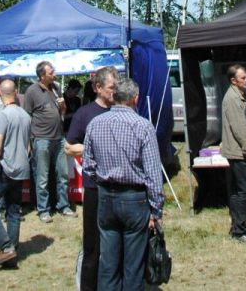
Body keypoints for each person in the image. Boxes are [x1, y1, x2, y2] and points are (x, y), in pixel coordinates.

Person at [83, 76, 164, 291]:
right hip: (134, 199)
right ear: (135, 98)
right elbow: (153, 174)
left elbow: (88, 166)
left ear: (114, 96)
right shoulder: (143, 126)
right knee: (133, 266)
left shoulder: (95, 124)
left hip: (106, 196)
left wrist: (103, 181)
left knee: (108, 263)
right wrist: (156, 210)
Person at [64, 66, 118, 291]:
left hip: (120, 187)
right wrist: (95, 148)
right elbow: (69, 147)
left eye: (116, 87)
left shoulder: (121, 111)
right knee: (92, 244)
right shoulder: (84, 114)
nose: (115, 92)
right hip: (95, 187)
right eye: (111, 87)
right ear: (97, 88)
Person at [0, 79, 31, 269]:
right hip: (20, 167)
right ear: (16, 92)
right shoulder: (25, 115)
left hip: (4, 167)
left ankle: (6, 246)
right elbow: (28, 146)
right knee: (13, 209)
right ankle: (12, 251)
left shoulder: (2, 115)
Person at [24, 60, 76, 222]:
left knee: (63, 174)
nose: (54, 74)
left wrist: (64, 106)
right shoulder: (32, 91)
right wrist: (29, 141)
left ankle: (63, 205)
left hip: (59, 138)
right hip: (41, 139)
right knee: (42, 177)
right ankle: (43, 210)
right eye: (51, 72)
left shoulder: (56, 88)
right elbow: (27, 116)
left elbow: (62, 113)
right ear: (42, 76)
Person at [220, 63, 246, 242]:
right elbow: (240, 128)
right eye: (243, 78)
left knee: (237, 191)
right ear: (233, 80)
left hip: (236, 151)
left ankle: (237, 227)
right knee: (245, 191)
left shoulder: (237, 95)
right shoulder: (233, 98)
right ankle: (239, 229)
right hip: (238, 152)